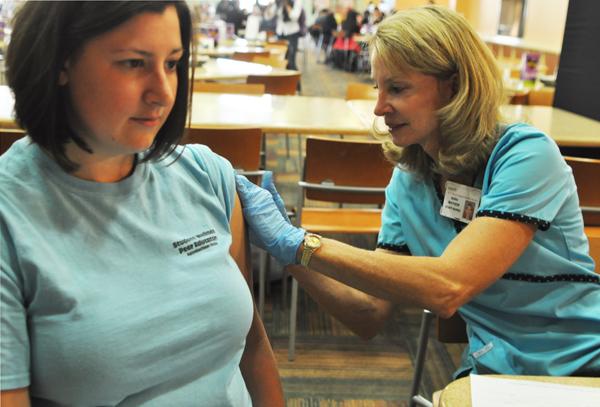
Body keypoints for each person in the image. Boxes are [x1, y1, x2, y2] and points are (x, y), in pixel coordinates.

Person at [235, 5, 600, 378]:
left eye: (397, 88)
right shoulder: (409, 180)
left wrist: (301, 243)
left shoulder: (524, 155)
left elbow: (450, 285)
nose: (378, 108)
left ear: (454, 87)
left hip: (582, 364)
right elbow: (368, 314)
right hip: (498, 369)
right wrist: (289, 251)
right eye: (378, 87)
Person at [0, 2, 284, 406]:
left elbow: (251, 345)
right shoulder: (10, 217)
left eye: (172, 64)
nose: (164, 93)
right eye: (134, 63)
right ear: (59, 63)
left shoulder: (206, 174)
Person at [275, 0, 304, 70]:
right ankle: (282, 79)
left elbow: (294, 16)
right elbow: (270, 15)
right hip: (281, 32)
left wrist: (286, 4)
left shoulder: (296, 2)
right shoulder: (279, 2)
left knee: (291, 60)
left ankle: (294, 79)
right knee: (281, 59)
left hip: (292, 33)